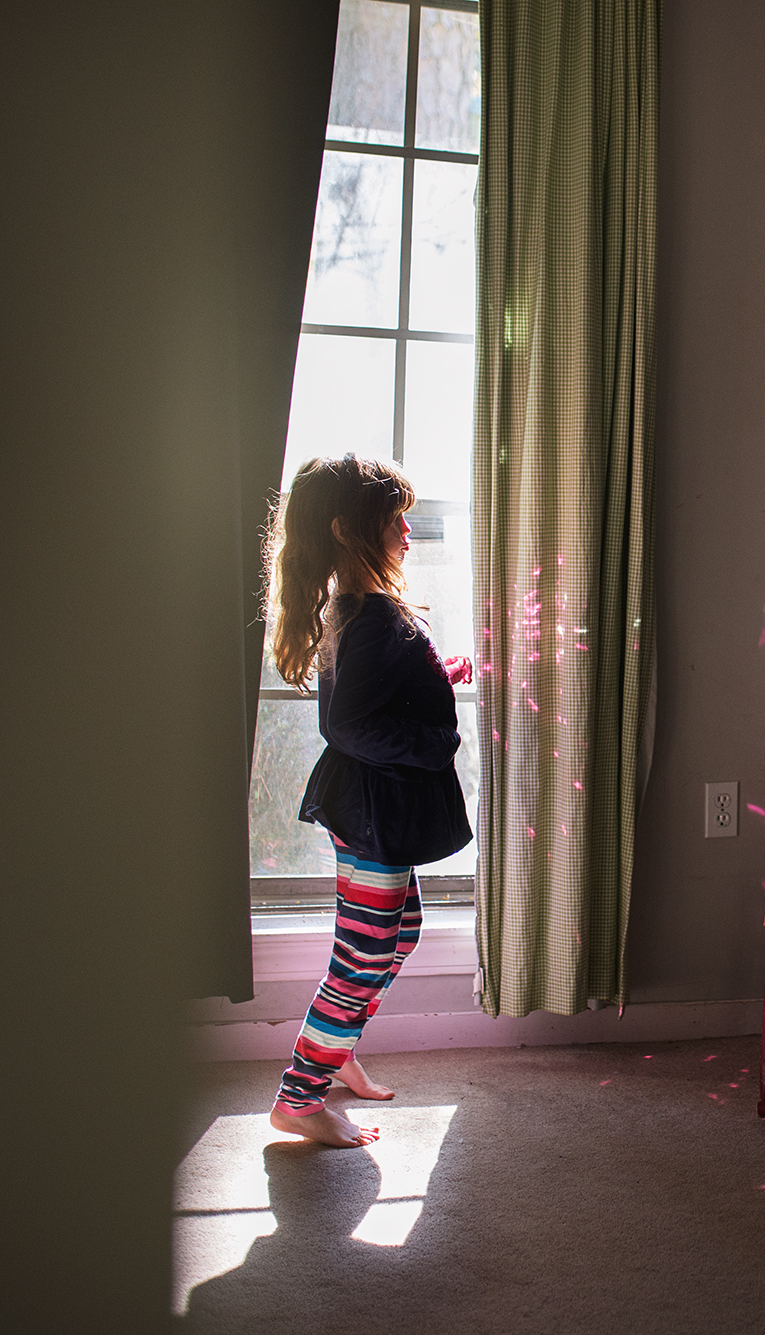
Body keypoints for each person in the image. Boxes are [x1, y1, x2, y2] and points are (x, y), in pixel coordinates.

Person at [261, 455, 474, 1148]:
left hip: (366, 807)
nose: (408, 531)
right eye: (394, 520)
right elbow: (346, 724)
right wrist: (435, 742)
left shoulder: (356, 609)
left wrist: (437, 673)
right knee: (364, 953)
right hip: (373, 811)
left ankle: (338, 1042)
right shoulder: (370, 613)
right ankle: (299, 1096)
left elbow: (371, 691)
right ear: (354, 531)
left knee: (398, 932)